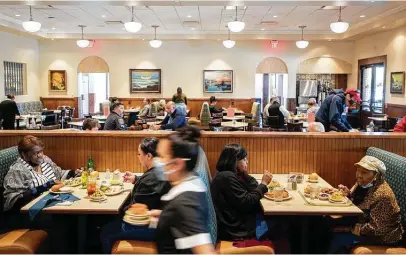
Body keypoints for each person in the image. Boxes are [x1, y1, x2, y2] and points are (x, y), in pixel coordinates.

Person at [100, 137, 171, 254]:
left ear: (148, 156)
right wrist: (136, 179)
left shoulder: (149, 181)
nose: (138, 157)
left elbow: (135, 211)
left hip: (150, 227)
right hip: (159, 224)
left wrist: (116, 205)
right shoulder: (160, 170)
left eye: (139, 154)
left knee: (106, 231)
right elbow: (150, 186)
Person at [152, 126, 215, 254]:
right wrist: (163, 216)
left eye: (161, 156)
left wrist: (173, 212)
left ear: (178, 164)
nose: (156, 161)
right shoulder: (192, 183)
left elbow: (205, 251)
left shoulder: (185, 204)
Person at [328, 155, 404, 253]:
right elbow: (360, 202)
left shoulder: (383, 195)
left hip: (382, 239)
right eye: (358, 171)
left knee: (338, 240)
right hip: (362, 223)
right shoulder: (364, 182)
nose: (359, 175)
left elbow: (376, 229)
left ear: (376, 175)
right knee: (325, 222)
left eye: (364, 172)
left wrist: (348, 229)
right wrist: (348, 194)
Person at [210, 144, 273, 241]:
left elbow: (253, 187)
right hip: (238, 229)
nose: (247, 161)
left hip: (242, 222)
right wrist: (264, 184)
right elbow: (248, 202)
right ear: (234, 161)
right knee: (286, 222)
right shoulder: (226, 177)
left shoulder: (230, 174)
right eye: (244, 159)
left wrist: (244, 173)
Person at [3, 135, 82, 213]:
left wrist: (73, 173)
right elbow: (12, 201)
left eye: (41, 151)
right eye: (36, 153)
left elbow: (59, 174)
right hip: (37, 211)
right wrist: (45, 186)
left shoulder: (44, 159)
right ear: (24, 155)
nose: (40, 155)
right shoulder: (17, 170)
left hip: (56, 202)